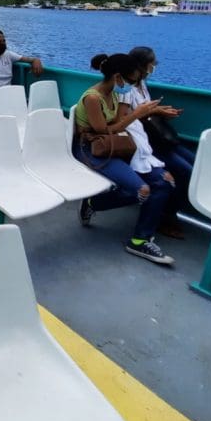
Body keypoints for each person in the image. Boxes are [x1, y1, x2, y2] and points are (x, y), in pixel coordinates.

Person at [73, 53, 176, 265]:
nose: (130, 86)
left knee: (164, 182)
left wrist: (149, 111)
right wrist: (137, 113)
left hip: (113, 146)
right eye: (129, 81)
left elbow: (120, 122)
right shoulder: (93, 98)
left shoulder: (115, 94)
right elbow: (105, 130)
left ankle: (140, 239)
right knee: (142, 190)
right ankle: (94, 202)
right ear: (117, 77)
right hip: (92, 149)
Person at [121, 46, 195, 238]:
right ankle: (166, 216)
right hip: (146, 145)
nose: (153, 67)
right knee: (184, 171)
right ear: (141, 66)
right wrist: (155, 112)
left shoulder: (141, 85)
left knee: (194, 165)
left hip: (159, 139)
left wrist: (161, 111)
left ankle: (169, 214)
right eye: (151, 64)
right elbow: (127, 120)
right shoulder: (127, 90)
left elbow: (145, 111)